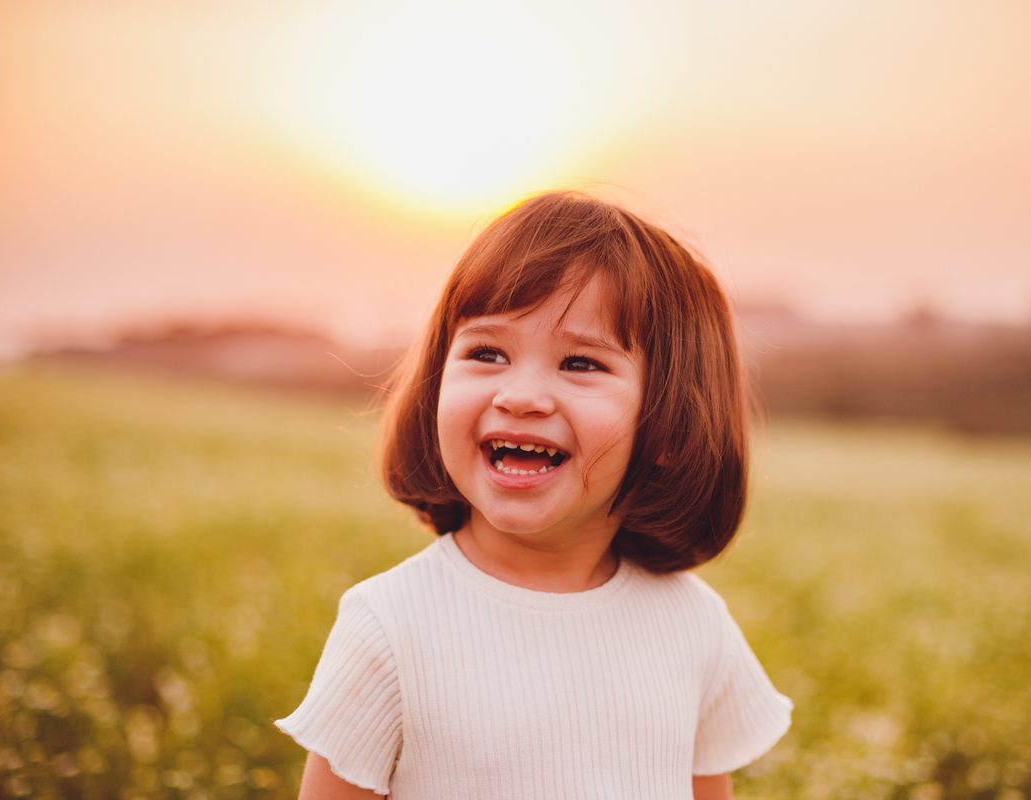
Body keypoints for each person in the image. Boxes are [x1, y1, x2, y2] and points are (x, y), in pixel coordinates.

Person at [276, 190, 793, 799]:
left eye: (580, 364)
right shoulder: (390, 626)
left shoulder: (694, 625)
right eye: (486, 352)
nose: (521, 395)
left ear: (668, 426)